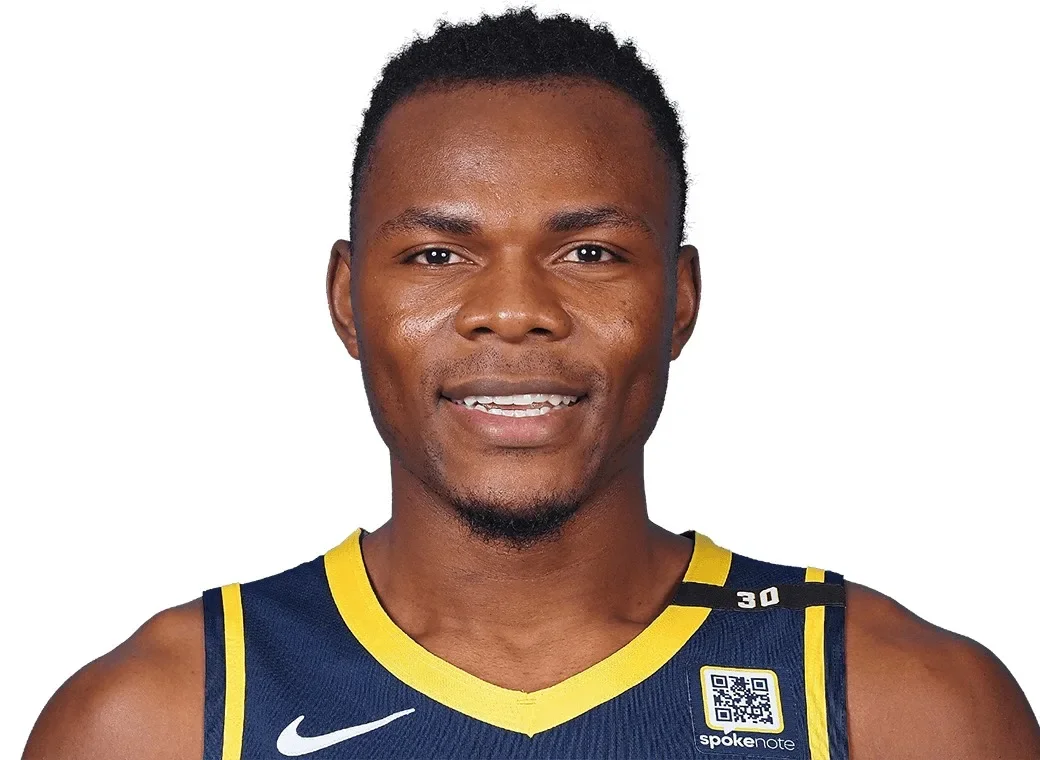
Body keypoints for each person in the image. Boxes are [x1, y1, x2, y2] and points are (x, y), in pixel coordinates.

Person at [22, 9, 1040, 760]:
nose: (513, 311)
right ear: (346, 300)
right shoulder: (161, 720)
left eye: (590, 253)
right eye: (436, 255)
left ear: (679, 299)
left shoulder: (899, 706)